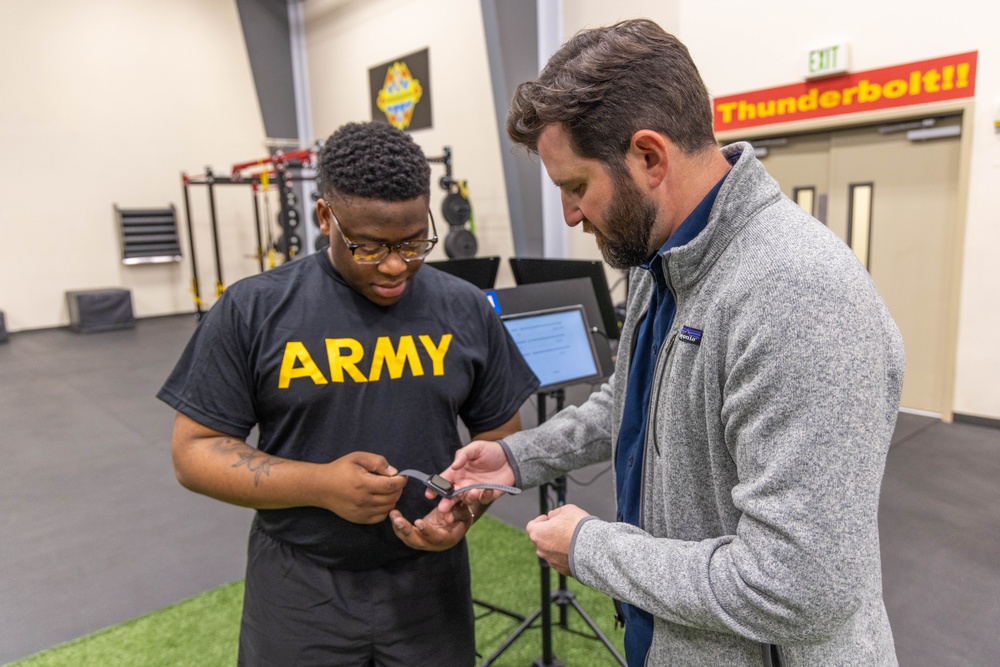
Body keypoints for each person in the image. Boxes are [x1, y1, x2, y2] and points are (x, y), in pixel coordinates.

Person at [437, 19, 904, 667]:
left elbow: (801, 587)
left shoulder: (795, 292)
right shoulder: (666, 263)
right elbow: (626, 401)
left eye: (576, 187)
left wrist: (591, 548)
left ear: (650, 157)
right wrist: (515, 458)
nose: (571, 216)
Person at [158, 121, 539, 666]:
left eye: (413, 243)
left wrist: (467, 510)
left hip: (427, 585)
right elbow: (193, 452)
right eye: (368, 246)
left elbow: (501, 434)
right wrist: (320, 485)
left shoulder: (464, 308)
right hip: (300, 584)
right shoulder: (254, 309)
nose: (393, 265)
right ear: (324, 218)